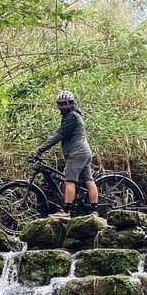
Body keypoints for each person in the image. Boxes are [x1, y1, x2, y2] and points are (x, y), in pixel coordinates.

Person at [32, 90, 98, 218]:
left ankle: (66, 211)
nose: (62, 107)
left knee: (69, 181)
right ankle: (94, 210)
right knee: (88, 180)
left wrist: (40, 149)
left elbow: (58, 135)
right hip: (84, 152)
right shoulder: (73, 115)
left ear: (72, 103)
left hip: (77, 154)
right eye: (60, 104)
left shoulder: (72, 117)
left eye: (65, 104)